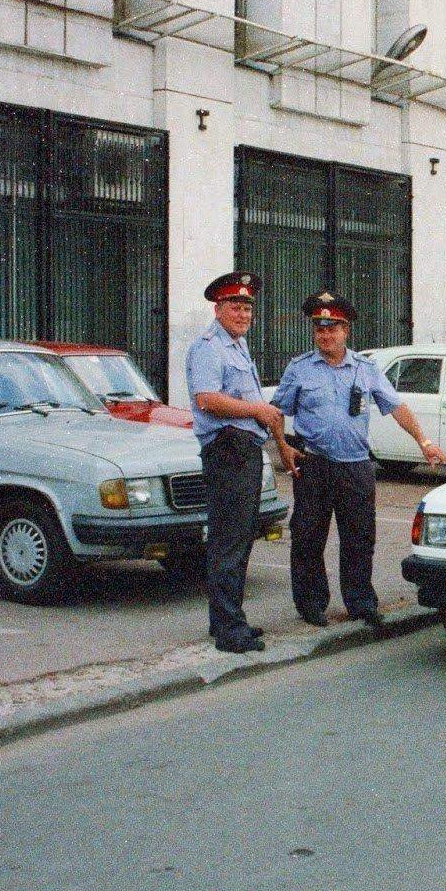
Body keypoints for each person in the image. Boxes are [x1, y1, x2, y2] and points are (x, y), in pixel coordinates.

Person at [272, 292, 446, 630]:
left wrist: (424, 442)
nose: (326, 335)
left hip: (355, 466)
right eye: (320, 329)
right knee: (309, 536)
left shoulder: (366, 370)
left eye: (333, 328)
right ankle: (310, 604)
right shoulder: (300, 369)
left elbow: (396, 407)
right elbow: (277, 412)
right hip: (313, 465)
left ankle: (361, 603)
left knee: (359, 538)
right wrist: (282, 447)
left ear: (346, 330)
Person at [186, 271, 288, 654]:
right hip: (227, 449)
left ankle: (229, 619)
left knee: (240, 537)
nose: (243, 313)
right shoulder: (210, 347)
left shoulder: (236, 345)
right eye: (235, 306)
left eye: (247, 307)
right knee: (230, 540)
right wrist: (256, 409)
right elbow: (207, 399)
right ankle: (229, 630)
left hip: (243, 448)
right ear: (218, 308)